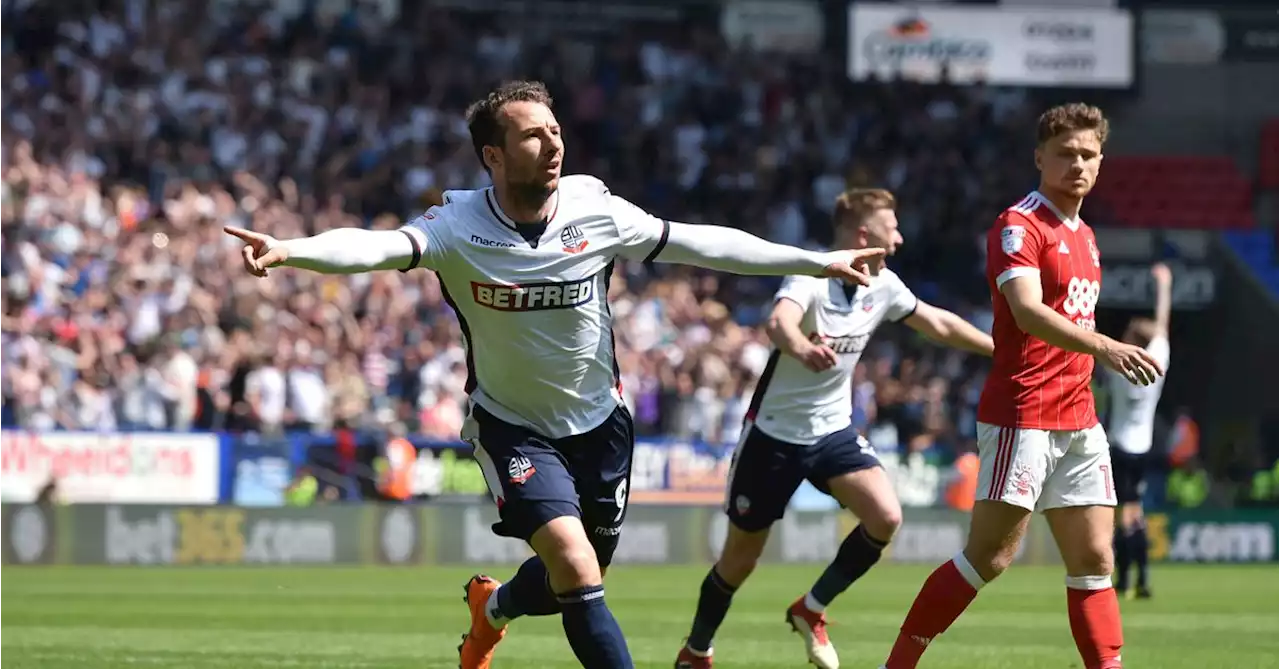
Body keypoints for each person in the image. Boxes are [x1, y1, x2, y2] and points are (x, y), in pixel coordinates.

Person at [224, 80, 885, 669]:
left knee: (576, 575)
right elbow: (379, 247)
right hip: (513, 429)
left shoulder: (594, 208)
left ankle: (494, 609)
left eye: (556, 130)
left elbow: (696, 241)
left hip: (600, 426)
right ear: (493, 155)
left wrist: (814, 259)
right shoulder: (457, 224)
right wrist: (291, 251)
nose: (552, 143)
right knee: (574, 564)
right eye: (532, 135)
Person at [879, 103, 1164, 669]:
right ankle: (899, 664)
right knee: (989, 557)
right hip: (1025, 412)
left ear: (1101, 161)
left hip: (1080, 417)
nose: (1076, 164)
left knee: (1095, 558)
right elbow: (1028, 312)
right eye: (1064, 154)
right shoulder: (1019, 225)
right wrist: (1106, 346)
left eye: (1087, 155)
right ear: (1039, 157)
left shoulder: (1086, 237)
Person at [673, 188, 994, 669]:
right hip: (774, 437)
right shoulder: (811, 276)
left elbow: (938, 324)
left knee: (885, 517)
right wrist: (801, 348)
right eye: (893, 227)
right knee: (739, 562)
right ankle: (696, 652)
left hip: (832, 431)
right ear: (864, 235)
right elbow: (778, 323)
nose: (900, 238)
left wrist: (1000, 350)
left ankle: (812, 608)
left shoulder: (883, 284)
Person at [1107, 262, 1172, 600]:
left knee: (1124, 515)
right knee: (1138, 513)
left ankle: (1124, 578)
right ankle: (1144, 578)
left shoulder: (1118, 371)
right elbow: (1161, 328)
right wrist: (1165, 286)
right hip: (1144, 448)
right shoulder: (1157, 364)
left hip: (1119, 447)